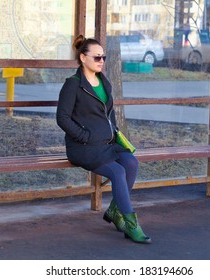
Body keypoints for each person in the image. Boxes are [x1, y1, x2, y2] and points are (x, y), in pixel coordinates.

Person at [56, 35, 151, 244]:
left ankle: (115, 212)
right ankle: (131, 223)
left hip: (106, 144)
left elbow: (109, 113)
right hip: (83, 147)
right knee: (117, 172)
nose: (101, 61)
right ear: (83, 58)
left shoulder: (103, 82)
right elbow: (62, 118)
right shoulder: (73, 85)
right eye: (97, 57)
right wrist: (84, 136)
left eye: (103, 57)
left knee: (131, 163)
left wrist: (114, 131)